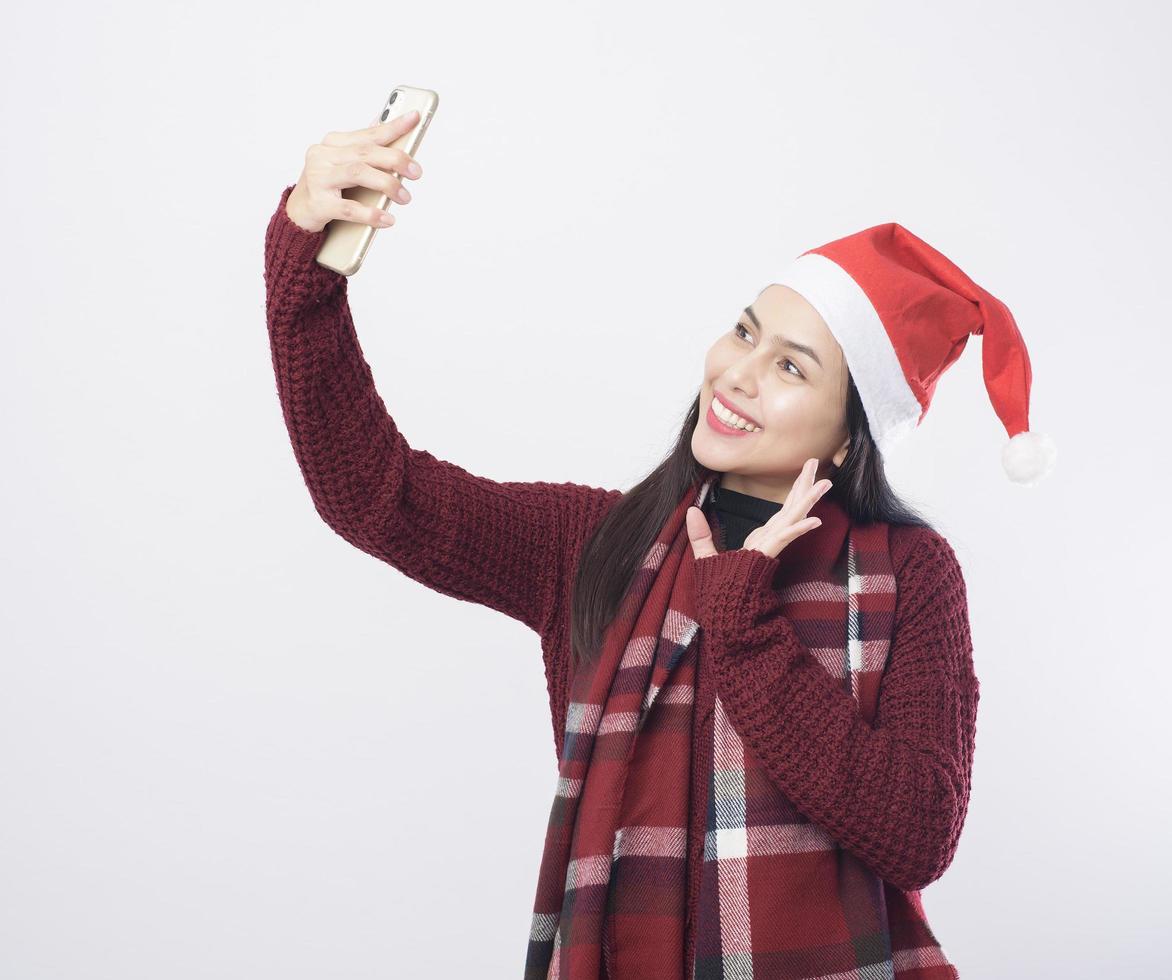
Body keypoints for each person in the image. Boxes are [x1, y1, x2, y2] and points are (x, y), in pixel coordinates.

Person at [262, 109, 1054, 980]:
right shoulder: (593, 541)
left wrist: (743, 621)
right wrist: (306, 258)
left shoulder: (911, 573)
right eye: (746, 332)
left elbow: (918, 833)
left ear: (847, 435)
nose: (738, 373)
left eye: (793, 367)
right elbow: (376, 494)